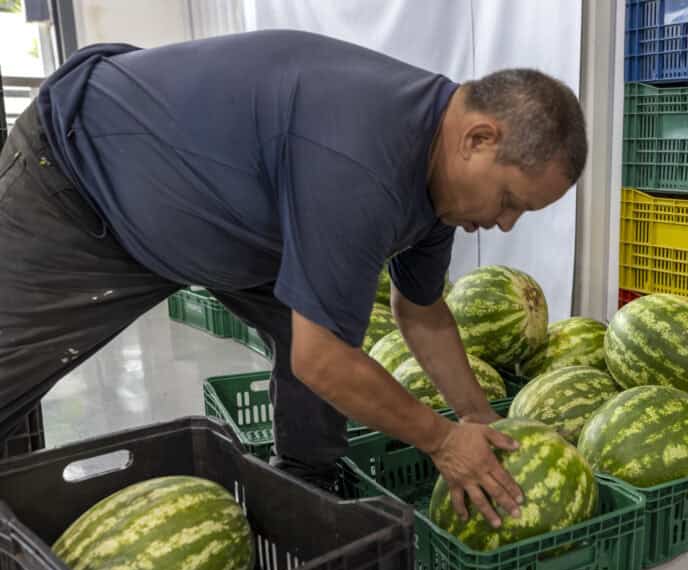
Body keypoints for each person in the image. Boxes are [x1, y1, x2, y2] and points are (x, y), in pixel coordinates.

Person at [0, 29, 587, 528]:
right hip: (78, 177)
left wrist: (480, 420)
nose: (505, 224)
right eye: (510, 200)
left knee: (315, 314)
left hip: (220, 218)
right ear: (479, 139)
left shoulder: (439, 183)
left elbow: (421, 311)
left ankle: (305, 483)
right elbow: (321, 361)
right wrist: (441, 441)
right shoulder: (364, 162)